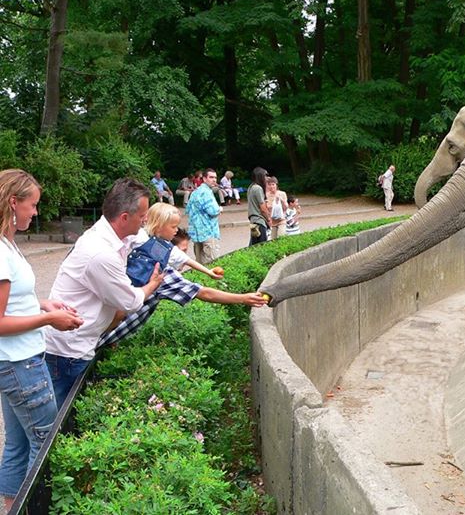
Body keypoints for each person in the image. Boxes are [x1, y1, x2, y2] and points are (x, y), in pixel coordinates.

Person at [0, 170, 84, 511]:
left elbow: (13, 303)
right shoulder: (1, 252)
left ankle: (11, 507)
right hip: (21, 364)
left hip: (15, 361)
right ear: (12, 202)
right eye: (32, 205)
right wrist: (50, 319)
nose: (35, 213)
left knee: (18, 444)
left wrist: (43, 304)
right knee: (46, 441)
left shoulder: (8, 244)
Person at [44, 178, 164, 408]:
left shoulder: (109, 234)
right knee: (57, 426)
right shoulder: (100, 253)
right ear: (124, 218)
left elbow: (141, 238)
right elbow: (130, 301)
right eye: (142, 215)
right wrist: (153, 284)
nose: (146, 220)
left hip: (73, 346)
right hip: (69, 352)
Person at [95, 204, 267, 351]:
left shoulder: (134, 251)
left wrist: (207, 272)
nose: (176, 230)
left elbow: (185, 259)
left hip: (96, 328)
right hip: (95, 340)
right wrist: (243, 298)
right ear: (157, 226)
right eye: (173, 227)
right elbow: (203, 293)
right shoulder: (159, 272)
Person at [185, 168, 223, 264]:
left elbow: (188, 210)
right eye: (211, 177)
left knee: (200, 265)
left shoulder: (195, 192)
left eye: (215, 177)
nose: (214, 180)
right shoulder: (207, 192)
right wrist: (220, 209)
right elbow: (213, 211)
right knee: (212, 264)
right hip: (208, 232)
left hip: (196, 233)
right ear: (204, 179)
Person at [247, 167, 270, 246]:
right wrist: (269, 219)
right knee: (262, 246)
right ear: (260, 176)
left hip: (253, 221)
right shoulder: (258, 188)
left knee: (253, 246)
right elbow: (263, 208)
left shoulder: (251, 187)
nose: (267, 178)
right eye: (265, 176)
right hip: (259, 221)